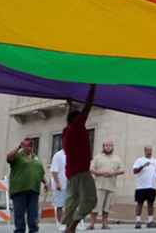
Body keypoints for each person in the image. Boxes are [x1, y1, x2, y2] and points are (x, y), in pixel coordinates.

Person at [62, 85, 98, 233]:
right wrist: (93, 88)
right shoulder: (77, 127)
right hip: (81, 172)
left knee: (72, 200)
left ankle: (68, 227)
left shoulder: (67, 131)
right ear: (76, 120)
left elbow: (71, 116)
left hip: (71, 172)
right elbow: (87, 107)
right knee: (90, 199)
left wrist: (70, 104)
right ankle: (73, 226)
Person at [7, 137, 48, 233]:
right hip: (19, 190)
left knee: (33, 215)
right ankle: (19, 231)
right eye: (27, 145)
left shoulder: (36, 158)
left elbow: (40, 173)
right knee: (19, 215)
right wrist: (18, 147)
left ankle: (33, 230)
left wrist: (45, 183)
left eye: (31, 145)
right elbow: (8, 157)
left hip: (33, 190)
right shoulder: (17, 156)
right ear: (23, 145)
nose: (30, 147)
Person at [90, 140, 124, 230]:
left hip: (111, 187)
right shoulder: (98, 157)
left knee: (107, 207)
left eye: (110, 145)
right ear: (103, 147)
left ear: (113, 147)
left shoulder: (117, 158)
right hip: (99, 186)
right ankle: (92, 224)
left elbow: (122, 170)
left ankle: (104, 224)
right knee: (95, 206)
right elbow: (91, 169)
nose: (108, 147)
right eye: (106, 145)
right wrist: (101, 173)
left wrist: (113, 173)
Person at [133, 146, 156, 229]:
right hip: (141, 186)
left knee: (151, 204)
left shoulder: (155, 161)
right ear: (144, 151)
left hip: (152, 186)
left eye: (150, 150)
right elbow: (134, 171)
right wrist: (143, 166)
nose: (149, 152)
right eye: (147, 150)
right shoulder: (139, 160)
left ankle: (150, 221)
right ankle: (138, 221)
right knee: (139, 203)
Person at [51, 148, 68, 229]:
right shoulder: (58, 155)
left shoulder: (73, 153)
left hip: (71, 184)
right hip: (60, 184)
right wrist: (57, 183)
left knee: (70, 205)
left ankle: (68, 223)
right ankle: (60, 223)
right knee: (60, 205)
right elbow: (54, 171)